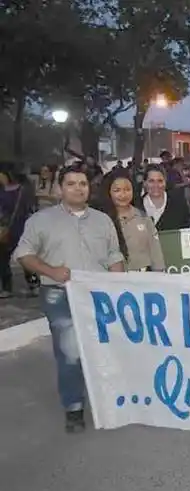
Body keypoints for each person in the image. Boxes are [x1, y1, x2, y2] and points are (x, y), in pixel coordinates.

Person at [13, 163, 125, 432]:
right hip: (60, 294)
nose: (78, 189)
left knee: (105, 347)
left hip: (99, 294)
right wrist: (51, 271)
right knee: (71, 349)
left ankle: (109, 400)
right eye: (71, 184)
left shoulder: (102, 220)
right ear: (60, 188)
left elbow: (114, 256)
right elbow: (23, 254)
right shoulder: (41, 221)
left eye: (82, 184)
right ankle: (74, 407)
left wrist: (119, 285)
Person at [102, 171, 165, 272]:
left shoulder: (143, 216)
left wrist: (159, 274)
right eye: (117, 190)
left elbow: (155, 251)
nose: (123, 194)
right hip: (113, 278)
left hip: (143, 276)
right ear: (108, 192)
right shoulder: (102, 220)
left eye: (127, 189)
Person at [0, 167, 38, 298]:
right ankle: (8, 288)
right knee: (4, 259)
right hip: (7, 229)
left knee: (23, 258)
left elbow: (29, 207)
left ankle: (33, 285)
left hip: (16, 228)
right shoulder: (5, 190)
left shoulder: (20, 191)